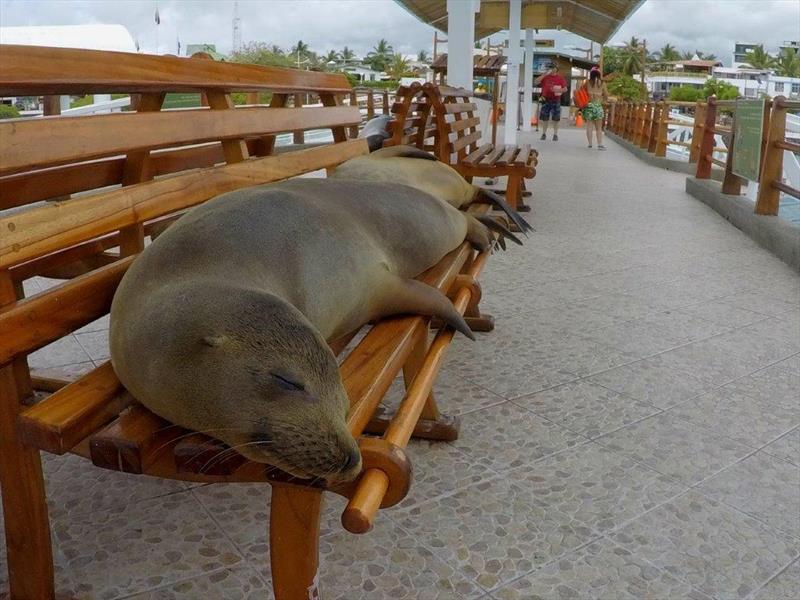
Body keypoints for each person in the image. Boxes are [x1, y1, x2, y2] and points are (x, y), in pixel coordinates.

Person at [534, 63, 567, 141]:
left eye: (553, 67)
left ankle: (555, 134)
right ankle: (544, 133)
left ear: (556, 69)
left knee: (556, 119)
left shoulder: (560, 78)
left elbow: (565, 89)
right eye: (550, 67)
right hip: (545, 99)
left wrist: (557, 90)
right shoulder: (545, 77)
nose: (551, 69)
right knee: (545, 118)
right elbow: (536, 82)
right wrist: (544, 74)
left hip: (556, 100)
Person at [583, 66, 609, 150]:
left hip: (589, 106)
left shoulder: (587, 82)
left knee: (589, 126)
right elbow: (606, 95)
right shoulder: (602, 83)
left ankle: (590, 144)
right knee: (598, 127)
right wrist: (603, 101)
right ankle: (600, 144)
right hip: (598, 106)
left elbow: (582, 92)